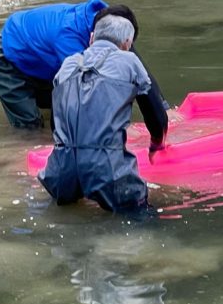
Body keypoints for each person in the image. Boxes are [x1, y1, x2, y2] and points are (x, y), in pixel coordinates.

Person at [38, 15, 167, 214]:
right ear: (127, 44)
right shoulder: (129, 61)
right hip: (107, 168)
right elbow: (155, 113)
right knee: (140, 219)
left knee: (66, 215)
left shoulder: (68, 65)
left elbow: (58, 123)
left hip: (60, 168)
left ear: (91, 38)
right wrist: (157, 144)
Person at [0, 0, 169, 129]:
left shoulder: (109, 20)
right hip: (6, 56)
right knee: (30, 126)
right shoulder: (69, 41)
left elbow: (137, 65)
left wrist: (164, 108)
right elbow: (75, 94)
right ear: (91, 38)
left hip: (38, 50)